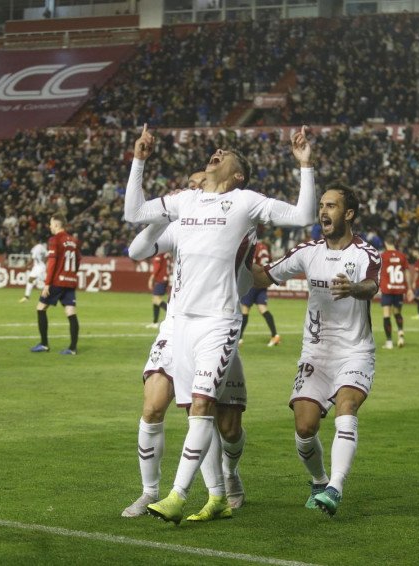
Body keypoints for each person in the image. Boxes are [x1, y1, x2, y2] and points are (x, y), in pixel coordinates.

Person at [124, 124, 315, 524]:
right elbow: (134, 223)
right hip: (180, 325)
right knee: (180, 407)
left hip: (220, 323)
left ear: (237, 174)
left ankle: (216, 481)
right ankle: (174, 493)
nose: (215, 152)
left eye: (224, 153)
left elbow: (303, 215)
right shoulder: (187, 204)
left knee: (223, 422)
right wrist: (140, 159)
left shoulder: (245, 203)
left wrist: (305, 165)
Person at [253, 182, 381, 517]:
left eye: (332, 206)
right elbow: (264, 278)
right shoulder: (307, 252)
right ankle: (320, 481)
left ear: (348, 213)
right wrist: (233, 253)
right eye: (322, 205)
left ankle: (336, 487)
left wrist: (354, 288)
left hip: (355, 351)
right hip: (316, 354)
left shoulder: (365, 253)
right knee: (305, 427)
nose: (323, 211)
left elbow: (371, 285)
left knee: (346, 407)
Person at [123, 211, 248, 518]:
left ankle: (228, 475)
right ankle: (149, 492)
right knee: (153, 408)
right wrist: (160, 214)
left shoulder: (235, 221)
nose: (194, 192)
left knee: (229, 428)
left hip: (214, 328)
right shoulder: (181, 223)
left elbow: (243, 280)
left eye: (200, 184)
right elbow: (136, 251)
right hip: (175, 328)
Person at [30, 214, 81, 355]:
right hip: (70, 281)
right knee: (71, 312)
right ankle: (72, 348)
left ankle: (44, 344)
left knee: (41, 308)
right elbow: (78, 261)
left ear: (57, 225)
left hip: (57, 281)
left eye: (51, 224)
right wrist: (71, 275)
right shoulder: (74, 241)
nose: (50, 226)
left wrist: (47, 284)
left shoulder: (55, 240)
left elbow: (52, 263)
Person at [239, 229, 281, 347]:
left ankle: (239, 338)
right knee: (263, 309)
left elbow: (250, 264)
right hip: (263, 280)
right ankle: (275, 335)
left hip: (253, 282)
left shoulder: (254, 246)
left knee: (244, 310)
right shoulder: (265, 247)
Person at [379, 239, 413, 349]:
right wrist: (409, 289)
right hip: (399, 289)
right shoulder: (402, 256)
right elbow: (407, 272)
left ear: (386, 243)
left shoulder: (383, 256)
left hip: (387, 289)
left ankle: (389, 342)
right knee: (397, 313)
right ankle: (400, 333)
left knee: (386, 315)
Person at [146, 251, 171, 329]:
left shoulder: (159, 254)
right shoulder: (165, 254)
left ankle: (171, 311)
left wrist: (151, 278)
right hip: (164, 278)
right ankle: (155, 322)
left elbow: (157, 267)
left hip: (161, 279)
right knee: (155, 300)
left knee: (156, 299)